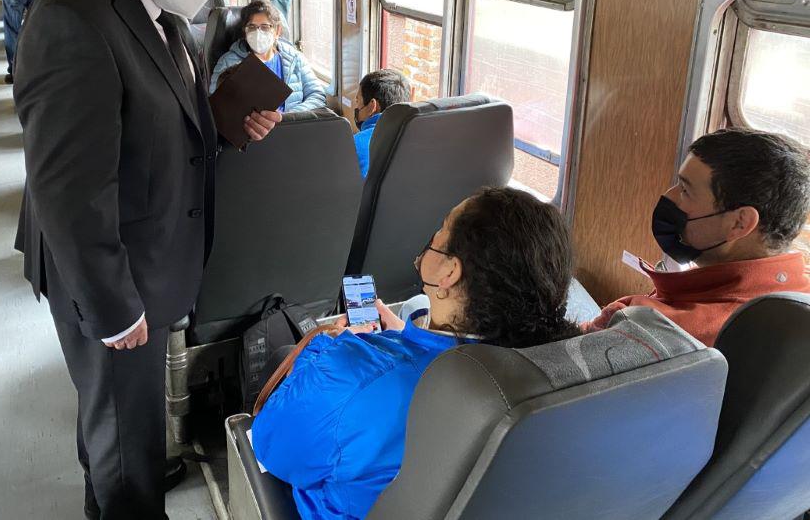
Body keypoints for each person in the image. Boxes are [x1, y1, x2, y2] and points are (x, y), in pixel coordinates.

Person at [14, 0, 281, 520]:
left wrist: (227, 123)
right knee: (123, 432)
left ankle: (109, 495)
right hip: (109, 270)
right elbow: (68, 189)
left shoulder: (158, 10)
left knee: (119, 421)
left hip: (146, 256)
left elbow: (154, 123)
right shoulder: (74, 17)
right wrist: (113, 307)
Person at [252, 187, 582, 520]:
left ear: (449, 273)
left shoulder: (350, 373)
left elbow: (270, 444)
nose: (433, 238)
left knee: (285, 357)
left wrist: (334, 345)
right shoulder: (562, 374)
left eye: (442, 229)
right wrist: (406, 339)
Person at [587, 128, 810, 345]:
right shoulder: (799, 294)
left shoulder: (645, 326)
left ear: (739, 223)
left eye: (685, 190)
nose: (669, 196)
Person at [210, 0, 326, 112]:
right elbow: (218, 106)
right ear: (245, 32)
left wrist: (289, 117)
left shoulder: (295, 58)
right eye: (251, 27)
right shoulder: (228, 62)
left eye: (265, 27)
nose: (258, 33)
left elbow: (317, 95)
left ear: (277, 31)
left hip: (292, 122)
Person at [352, 69, 411, 178]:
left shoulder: (353, 145)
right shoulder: (417, 140)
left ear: (372, 106)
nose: (356, 107)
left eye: (357, 101)